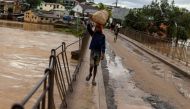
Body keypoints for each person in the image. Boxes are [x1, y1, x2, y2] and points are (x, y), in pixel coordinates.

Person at [86, 21, 106, 86]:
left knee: (95, 66)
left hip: (98, 53)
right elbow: (89, 29)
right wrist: (89, 22)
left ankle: (93, 79)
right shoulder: (94, 34)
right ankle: (90, 74)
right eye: (96, 27)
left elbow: (103, 45)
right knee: (91, 64)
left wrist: (103, 53)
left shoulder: (103, 36)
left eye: (98, 27)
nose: (96, 28)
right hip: (93, 51)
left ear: (100, 28)